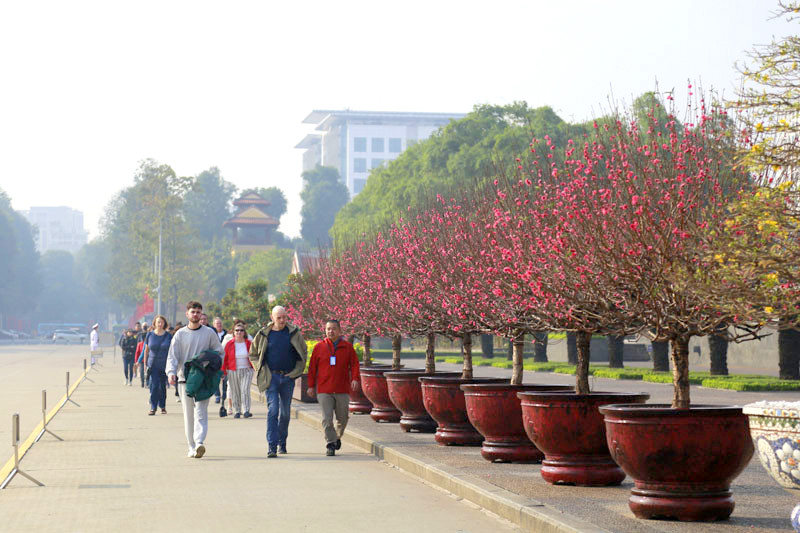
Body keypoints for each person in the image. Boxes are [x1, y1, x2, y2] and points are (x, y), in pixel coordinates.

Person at [167, 301, 222, 458]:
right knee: (188, 415)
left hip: (204, 380)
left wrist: (210, 364)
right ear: (187, 314)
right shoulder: (180, 334)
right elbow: (173, 355)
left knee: (201, 412)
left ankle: (199, 442)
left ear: (202, 314)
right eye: (193, 312)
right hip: (185, 380)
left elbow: (219, 352)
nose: (196, 314)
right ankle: (191, 446)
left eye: (198, 312)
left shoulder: (209, 333)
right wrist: (171, 372)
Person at [249, 306, 306, 458]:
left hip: (288, 378)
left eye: (284, 317)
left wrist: (295, 372)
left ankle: (282, 442)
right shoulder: (263, 334)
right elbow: (253, 354)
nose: (282, 320)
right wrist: (260, 369)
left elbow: (303, 353)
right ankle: (272, 446)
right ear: (272, 317)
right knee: (273, 410)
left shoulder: (293, 333)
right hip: (271, 378)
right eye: (279, 317)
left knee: (286, 414)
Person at [307, 320, 360, 456]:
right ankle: (330, 443)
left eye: (334, 329)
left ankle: (337, 437)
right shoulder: (319, 347)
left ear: (339, 331)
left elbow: (354, 364)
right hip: (324, 390)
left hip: (342, 389)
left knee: (343, 418)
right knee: (327, 418)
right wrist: (311, 386)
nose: (331, 331)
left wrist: (354, 378)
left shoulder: (347, 347)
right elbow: (312, 368)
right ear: (325, 330)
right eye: (328, 329)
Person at [222, 320, 254, 419]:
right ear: (233, 332)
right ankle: (237, 410)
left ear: (244, 332)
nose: (239, 332)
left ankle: (246, 410)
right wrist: (223, 371)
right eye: (237, 330)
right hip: (233, 370)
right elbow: (225, 358)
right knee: (235, 391)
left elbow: (255, 356)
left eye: (241, 330)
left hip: (247, 370)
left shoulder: (249, 343)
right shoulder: (229, 344)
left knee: (245, 389)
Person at [144, 315, 172, 415]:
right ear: (154, 323)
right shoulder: (150, 335)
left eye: (161, 322)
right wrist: (145, 365)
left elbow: (171, 351)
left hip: (164, 364)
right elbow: (146, 350)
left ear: (164, 323)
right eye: (158, 322)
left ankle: (163, 406)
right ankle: (153, 407)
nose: (160, 324)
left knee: (162, 386)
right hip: (153, 364)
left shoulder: (168, 336)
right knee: (155, 385)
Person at [212, 316, 228, 412]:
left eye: (220, 323)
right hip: (215, 360)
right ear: (214, 325)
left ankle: (224, 395)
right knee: (216, 378)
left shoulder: (227, 334)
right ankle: (217, 394)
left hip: (225, 359)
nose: (219, 325)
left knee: (225, 379)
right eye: (217, 323)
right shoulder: (212, 334)